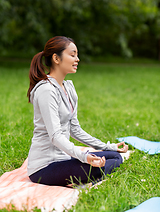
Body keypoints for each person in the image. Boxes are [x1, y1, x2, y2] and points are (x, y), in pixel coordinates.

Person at [27, 36, 128, 187]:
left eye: (77, 55)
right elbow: (55, 136)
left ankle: (79, 175)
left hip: (63, 159)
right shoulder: (46, 90)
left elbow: (75, 129)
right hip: (44, 167)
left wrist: (108, 147)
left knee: (115, 157)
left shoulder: (68, 88)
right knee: (96, 169)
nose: (77, 59)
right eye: (72, 55)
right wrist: (84, 157)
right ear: (56, 58)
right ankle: (84, 176)